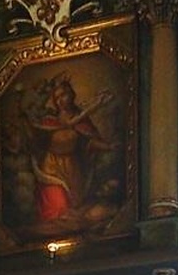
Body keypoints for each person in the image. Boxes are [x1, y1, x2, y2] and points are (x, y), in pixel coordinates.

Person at [23, 75, 117, 222]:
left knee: (76, 206)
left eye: (63, 95)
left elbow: (89, 141)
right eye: (56, 97)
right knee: (57, 207)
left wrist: (108, 146)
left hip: (73, 167)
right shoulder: (49, 119)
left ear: (71, 95)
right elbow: (38, 137)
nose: (60, 101)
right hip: (51, 166)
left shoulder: (81, 120)